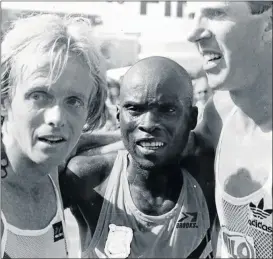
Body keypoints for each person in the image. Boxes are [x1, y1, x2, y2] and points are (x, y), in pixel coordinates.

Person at [60, 56, 216, 258]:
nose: (149, 123)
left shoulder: (208, 176)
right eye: (134, 109)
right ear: (118, 116)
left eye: (167, 109)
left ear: (192, 118)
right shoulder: (88, 178)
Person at [1, 14, 107, 258]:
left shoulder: (49, 168)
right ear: (3, 99)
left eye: (73, 101)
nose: (57, 117)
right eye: (39, 95)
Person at [185, 1, 272, 258]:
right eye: (194, 16)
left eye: (215, 14)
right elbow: (164, 145)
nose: (193, 33)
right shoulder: (220, 114)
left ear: (268, 25)